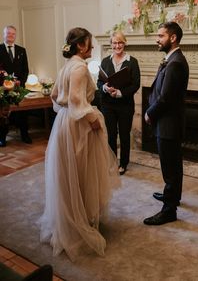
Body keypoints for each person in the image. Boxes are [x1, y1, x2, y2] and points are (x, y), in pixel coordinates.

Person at [40, 27, 120, 261]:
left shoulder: (66, 66)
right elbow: (76, 99)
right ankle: (79, 220)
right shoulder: (79, 67)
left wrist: (65, 112)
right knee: (82, 172)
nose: (93, 47)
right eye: (90, 43)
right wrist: (93, 119)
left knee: (69, 173)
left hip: (65, 123)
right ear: (81, 46)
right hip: (78, 126)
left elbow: (55, 95)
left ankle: (72, 215)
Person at [143, 22, 189, 226]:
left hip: (168, 123)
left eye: (161, 35)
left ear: (173, 38)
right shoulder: (172, 59)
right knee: (173, 164)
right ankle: (173, 196)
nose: (157, 39)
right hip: (168, 122)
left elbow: (166, 98)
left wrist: (150, 114)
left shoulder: (176, 62)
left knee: (170, 167)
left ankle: (169, 210)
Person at [97, 31, 140, 175]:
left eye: (120, 42)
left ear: (125, 43)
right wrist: (104, 87)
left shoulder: (132, 61)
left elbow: (136, 84)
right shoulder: (105, 61)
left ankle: (123, 163)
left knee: (124, 134)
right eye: (114, 43)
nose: (117, 45)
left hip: (125, 105)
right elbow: (99, 81)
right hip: (108, 105)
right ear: (111, 44)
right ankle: (112, 162)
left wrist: (120, 93)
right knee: (110, 135)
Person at [0, 25, 32, 146]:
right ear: (4, 34)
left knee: (22, 112)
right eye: (8, 33)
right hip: (3, 88)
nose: (11, 36)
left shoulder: (21, 50)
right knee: (3, 113)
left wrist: (21, 82)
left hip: (19, 87)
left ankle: (25, 135)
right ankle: (2, 137)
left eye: (13, 34)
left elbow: (25, 70)